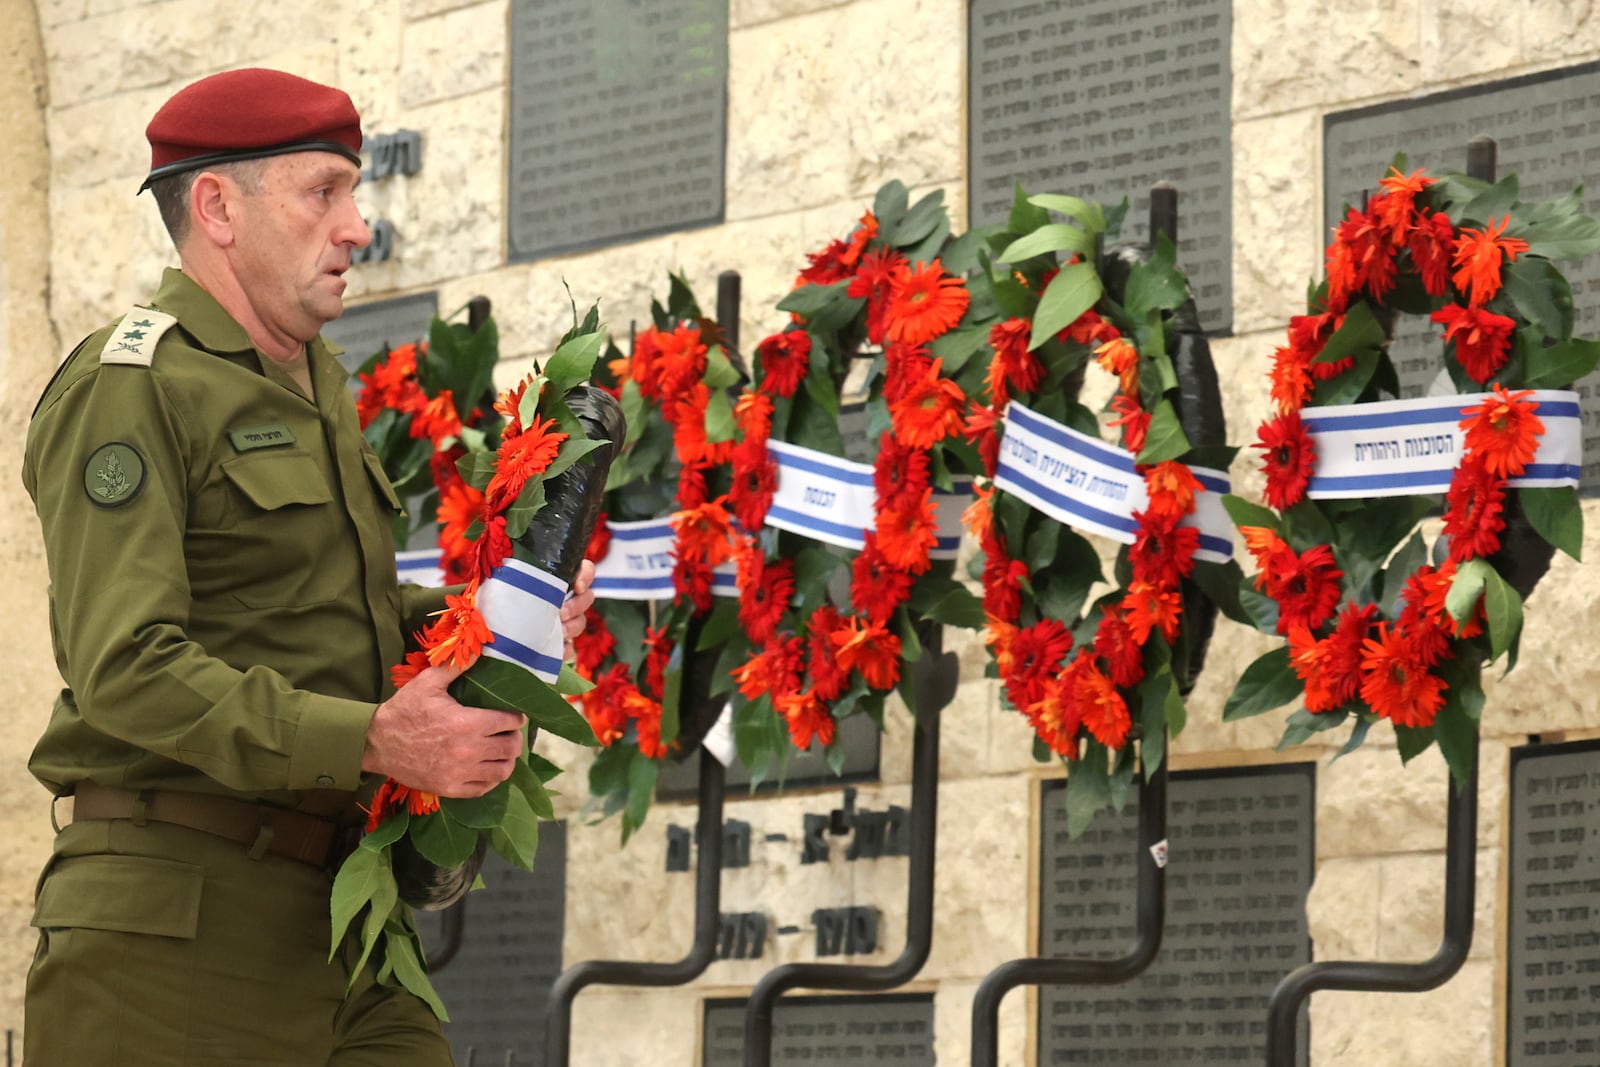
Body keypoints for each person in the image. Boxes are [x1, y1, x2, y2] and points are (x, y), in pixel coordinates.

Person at [21, 67, 595, 1066]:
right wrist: (373, 736)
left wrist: (478, 623)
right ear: (217, 207)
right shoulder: (132, 385)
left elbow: (321, 614)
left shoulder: (313, 385)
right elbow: (126, 666)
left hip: (342, 914)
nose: (355, 228)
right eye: (322, 191)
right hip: (175, 932)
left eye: (356, 193)